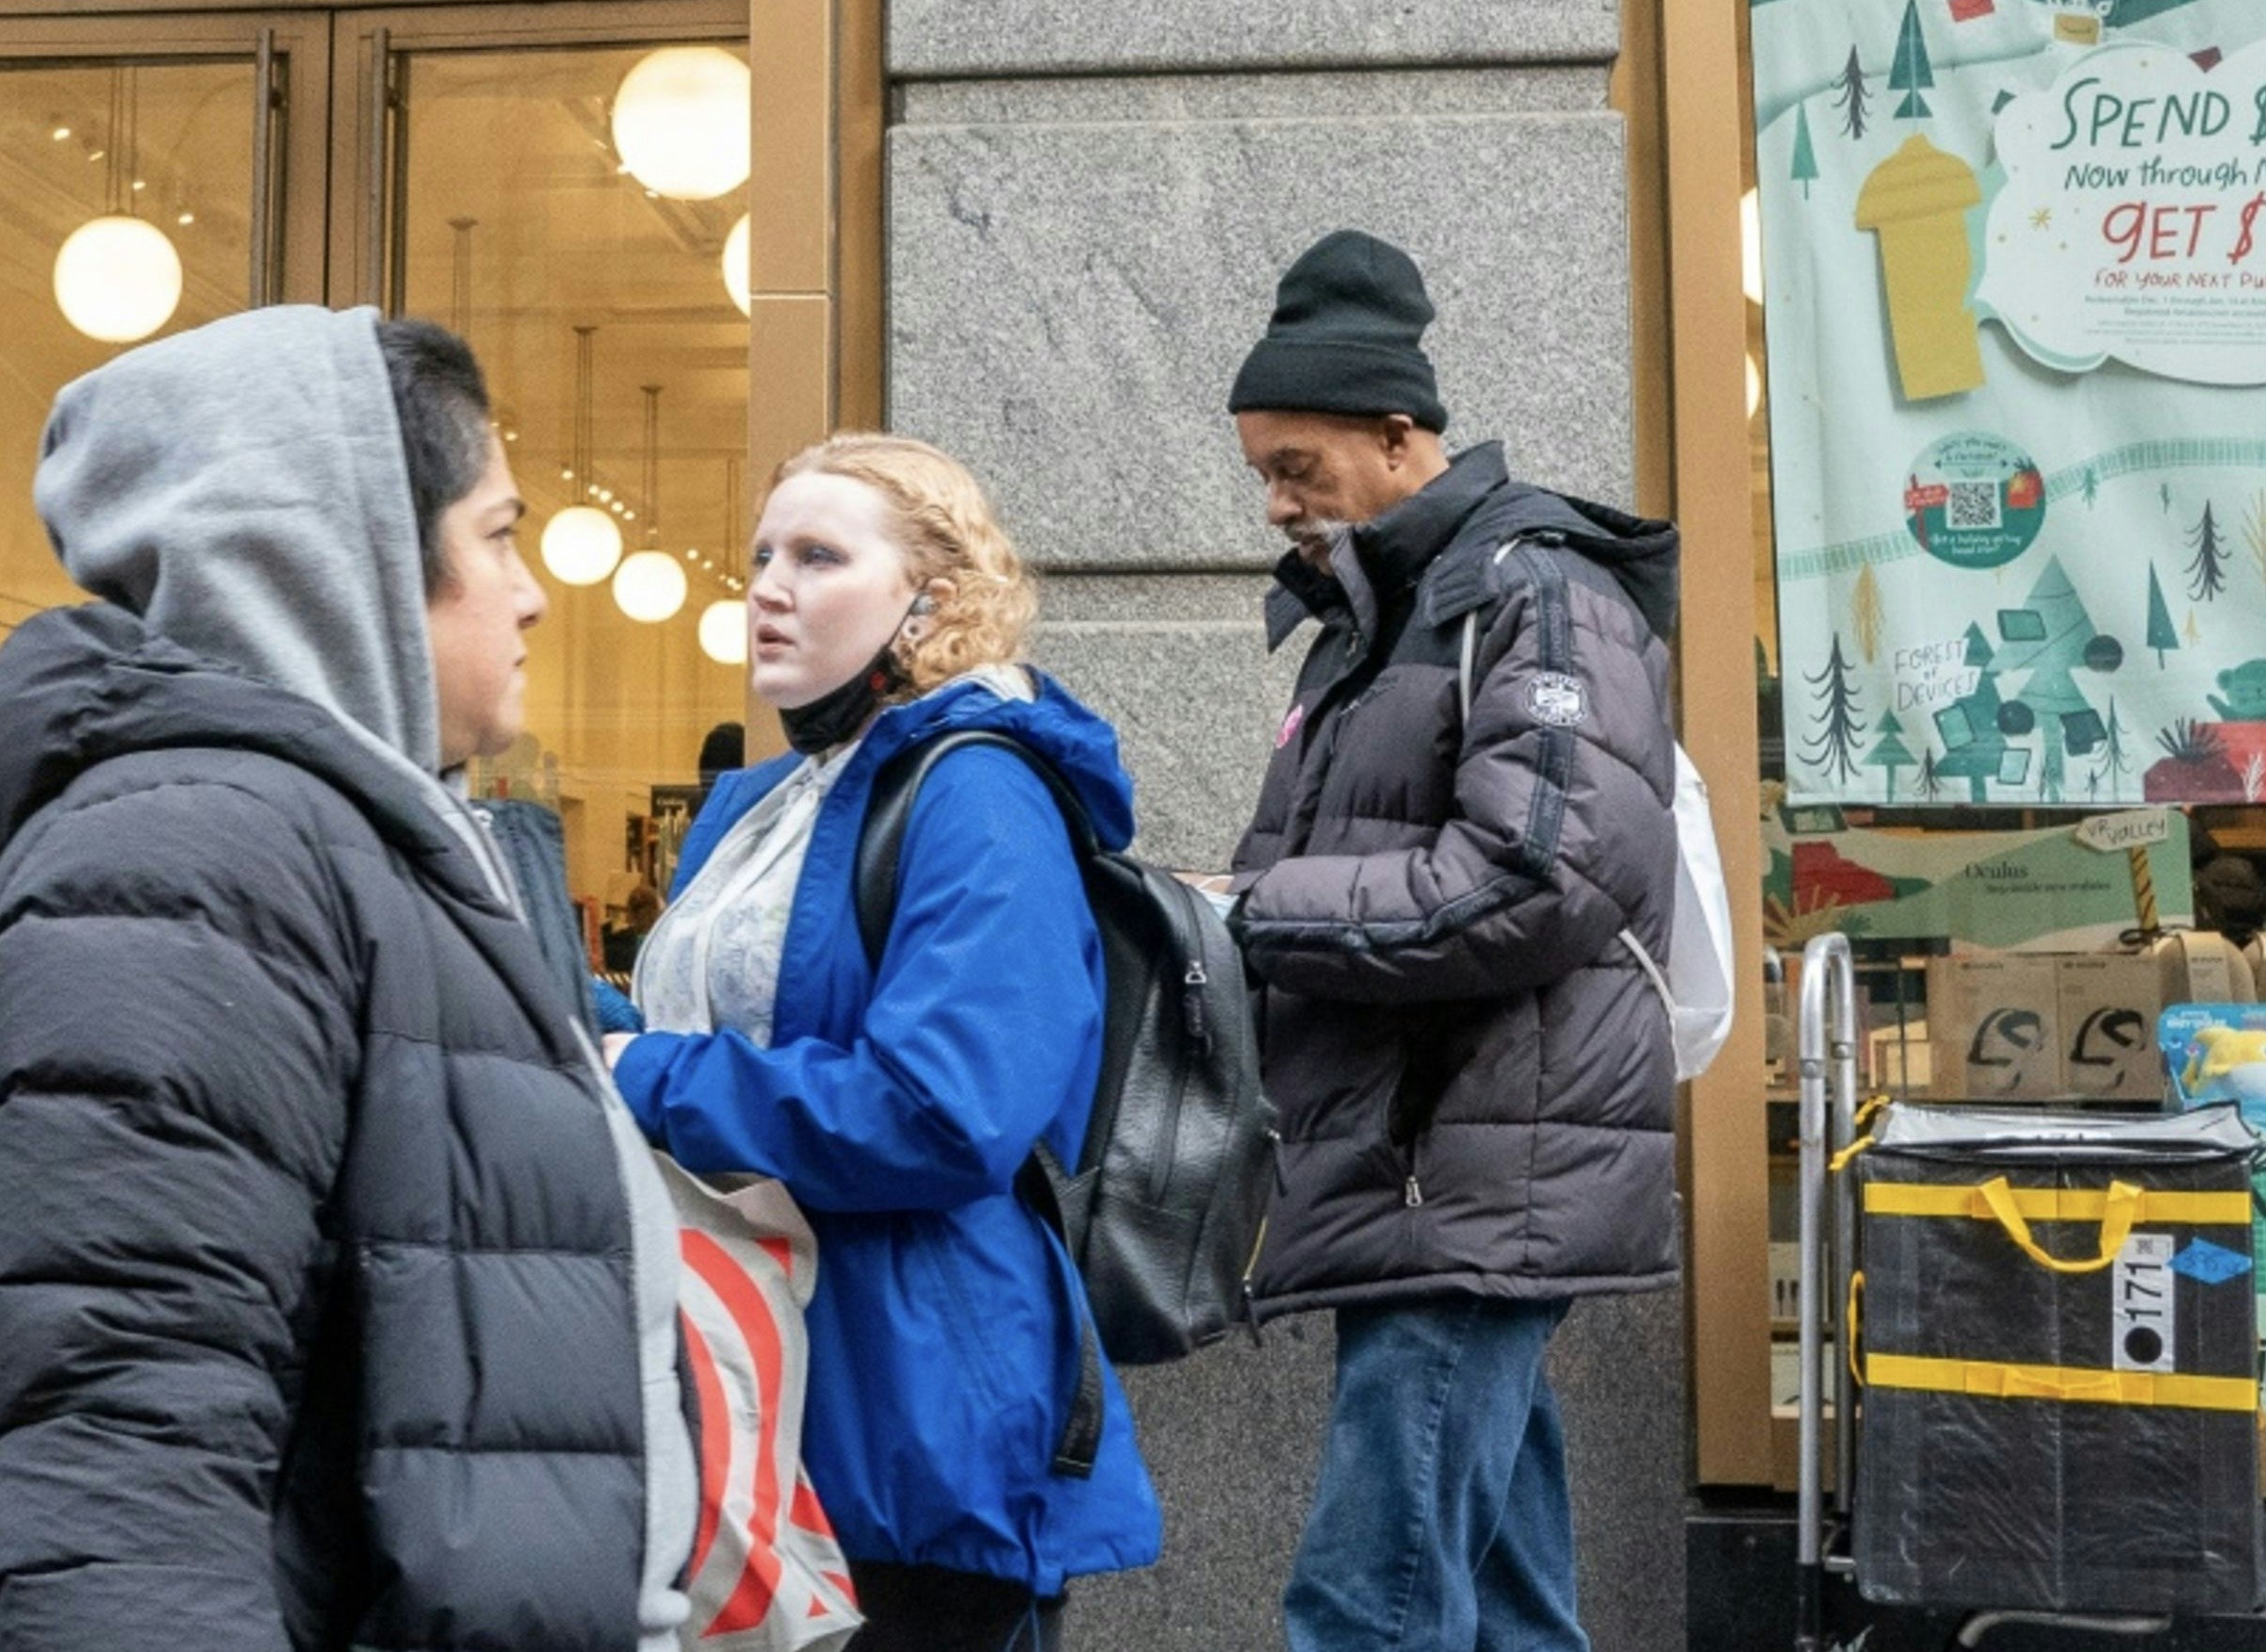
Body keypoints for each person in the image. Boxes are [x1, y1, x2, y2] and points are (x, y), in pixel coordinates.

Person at [0, 306, 663, 1652]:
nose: (531, 592)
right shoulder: (199, 856)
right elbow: (125, 1449)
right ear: (339, 554)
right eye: (499, 534)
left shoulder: (326, 840)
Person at [613, 434, 1161, 1652]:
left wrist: (641, 1074)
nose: (766, 583)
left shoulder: (978, 787)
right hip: (756, 1370)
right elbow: (710, 1028)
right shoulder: (765, 801)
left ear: (935, 597)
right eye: (761, 553)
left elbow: (946, 1107)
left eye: (818, 554)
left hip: (915, 1404)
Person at [1222, 233, 1678, 1652]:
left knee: (1370, 1609)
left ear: (1397, 433)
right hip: (1441, 1170)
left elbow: (1534, 874)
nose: (1278, 500)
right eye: (1263, 473)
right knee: (1499, 1608)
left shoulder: (1531, 592)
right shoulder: (1381, 617)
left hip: (1467, 1180)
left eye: (1297, 464)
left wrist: (1246, 915)